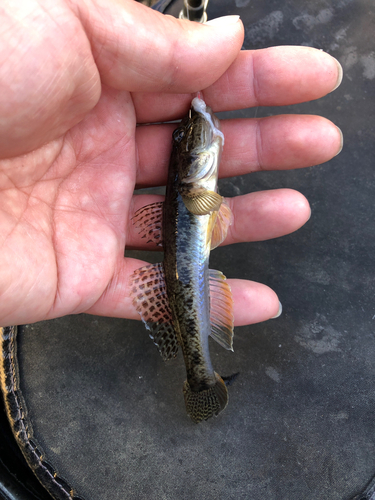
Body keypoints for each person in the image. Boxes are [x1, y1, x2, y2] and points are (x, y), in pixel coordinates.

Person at [0, 0, 343, 327]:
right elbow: (204, 199)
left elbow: (203, 198)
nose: (187, 135)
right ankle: (200, 371)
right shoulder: (195, 188)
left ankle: (199, 364)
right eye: (183, 140)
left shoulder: (195, 183)